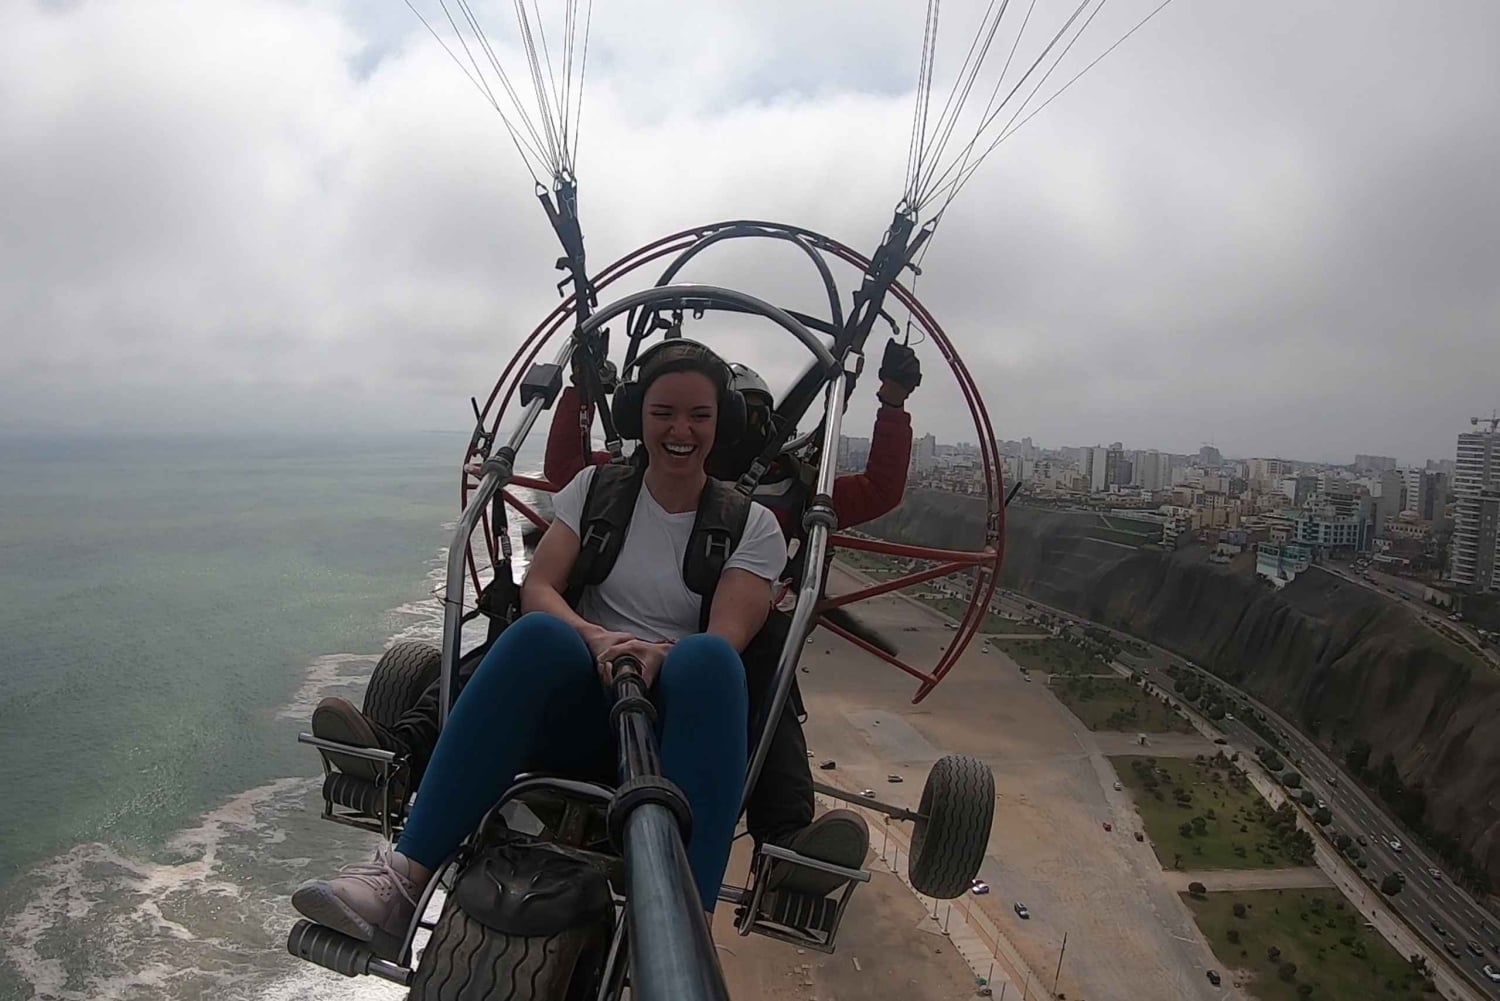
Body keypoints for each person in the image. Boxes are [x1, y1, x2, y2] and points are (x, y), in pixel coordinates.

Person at [292, 340, 786, 955]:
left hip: (673, 731)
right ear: (638, 417)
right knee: (541, 631)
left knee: (708, 660)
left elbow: (727, 634)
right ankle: (404, 879)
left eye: (699, 417)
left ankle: (689, 942)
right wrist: (595, 636)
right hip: (586, 707)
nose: (680, 430)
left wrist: (657, 655)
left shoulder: (752, 526)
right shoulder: (594, 490)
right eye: (663, 413)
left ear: (722, 425)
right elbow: (541, 587)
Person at [543, 336, 922, 894]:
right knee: (524, 620)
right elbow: (566, 471)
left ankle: (785, 839)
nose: (688, 432)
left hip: (724, 663)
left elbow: (877, 489)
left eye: (706, 416)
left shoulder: (787, 499)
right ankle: (419, 739)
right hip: (609, 650)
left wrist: (892, 404)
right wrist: (580, 389)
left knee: (768, 668)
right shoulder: (625, 485)